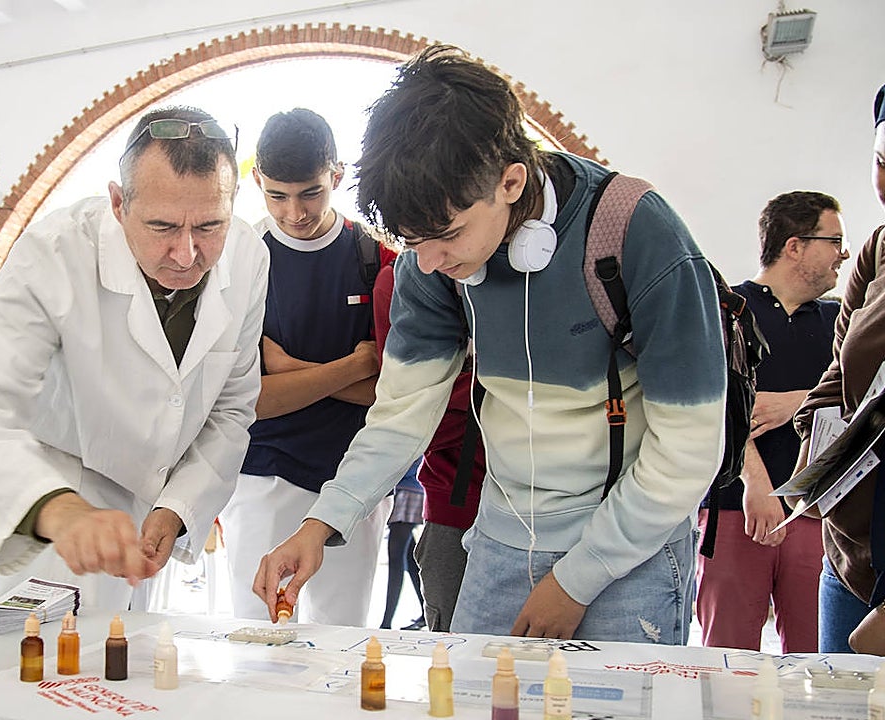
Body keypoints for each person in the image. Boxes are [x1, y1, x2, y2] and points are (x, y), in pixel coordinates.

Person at [255, 45, 726, 644]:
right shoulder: (430, 264)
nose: (428, 261)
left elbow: (687, 448)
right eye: (412, 239)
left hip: (629, 547)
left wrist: (577, 580)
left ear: (510, 181)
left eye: (447, 235)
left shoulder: (635, 231)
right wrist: (321, 524)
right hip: (500, 537)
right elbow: (400, 416)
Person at [0, 105, 268, 720]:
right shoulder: (54, 251)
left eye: (207, 225)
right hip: (57, 498)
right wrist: (56, 509)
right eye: (161, 228)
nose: (188, 253)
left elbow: (233, 407)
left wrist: (178, 509)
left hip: (152, 514)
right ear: (118, 204)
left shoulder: (248, 257)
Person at [221, 108, 392, 626]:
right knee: (256, 638)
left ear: (336, 176)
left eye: (310, 193)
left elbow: (387, 393)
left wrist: (289, 367)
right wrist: (353, 364)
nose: (293, 212)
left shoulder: (376, 257)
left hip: (350, 481)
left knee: (340, 642)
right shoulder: (238, 261)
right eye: (276, 196)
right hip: (261, 474)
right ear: (256, 182)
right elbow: (253, 397)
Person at [695, 192, 843, 653]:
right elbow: (712, 402)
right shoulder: (725, 311)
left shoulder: (842, 320)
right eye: (834, 240)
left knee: (818, 664)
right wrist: (754, 484)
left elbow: (861, 397)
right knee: (727, 661)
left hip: (818, 515)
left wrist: (796, 401)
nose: (845, 253)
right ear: (794, 245)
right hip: (735, 511)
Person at [793, 83, 885, 654]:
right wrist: (815, 431)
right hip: (853, 551)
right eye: (883, 162)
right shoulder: (877, 250)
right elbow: (839, 371)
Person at [372, 262, 486, 632]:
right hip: (456, 507)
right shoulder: (401, 280)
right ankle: (389, 621)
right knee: (457, 666)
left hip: (561, 505)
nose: (434, 253)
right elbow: (412, 415)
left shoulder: (525, 268)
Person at [380, 458, 425, 630]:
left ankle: (386, 624)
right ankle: (424, 612)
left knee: (396, 558)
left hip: (408, 491)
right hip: (404, 490)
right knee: (409, 558)